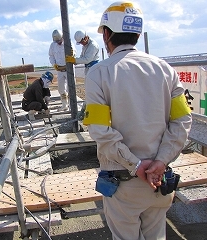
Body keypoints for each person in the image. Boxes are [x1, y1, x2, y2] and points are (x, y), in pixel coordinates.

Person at [83, 1, 192, 239]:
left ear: (107, 35)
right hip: (160, 181)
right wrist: (160, 162)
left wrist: (136, 164)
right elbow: (183, 121)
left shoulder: (100, 73)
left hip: (124, 184)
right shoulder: (166, 70)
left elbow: (100, 130)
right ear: (138, 35)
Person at [49, 29, 75, 111]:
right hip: (60, 70)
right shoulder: (53, 45)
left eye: (59, 40)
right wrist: (54, 64)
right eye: (57, 41)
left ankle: (72, 106)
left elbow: (74, 52)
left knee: (71, 88)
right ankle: (64, 105)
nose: (58, 42)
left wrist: (72, 54)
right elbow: (51, 56)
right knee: (61, 89)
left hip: (68, 69)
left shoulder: (68, 43)